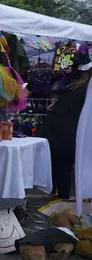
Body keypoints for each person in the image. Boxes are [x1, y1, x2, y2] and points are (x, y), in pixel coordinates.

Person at [37, 57, 91, 200]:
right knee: (63, 165)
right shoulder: (85, 88)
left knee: (58, 164)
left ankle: (58, 194)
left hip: (56, 128)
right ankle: (62, 197)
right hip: (64, 131)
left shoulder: (77, 87)